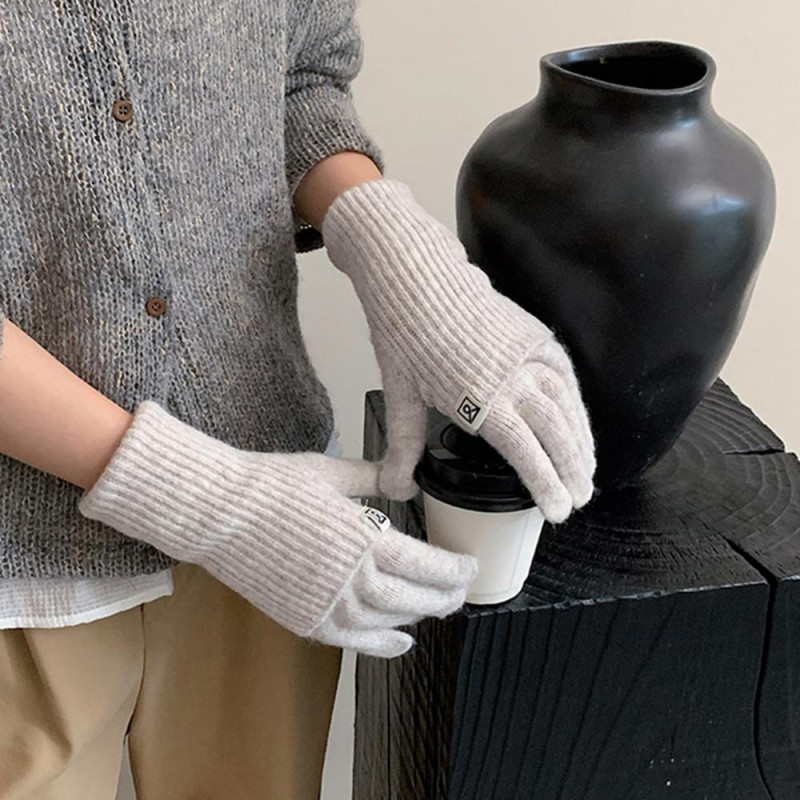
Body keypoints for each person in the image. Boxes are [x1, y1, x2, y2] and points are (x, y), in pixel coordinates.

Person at [0, 0, 596, 798]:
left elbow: (301, 74)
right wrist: (208, 503)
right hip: (24, 566)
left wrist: (399, 254)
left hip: (277, 517)